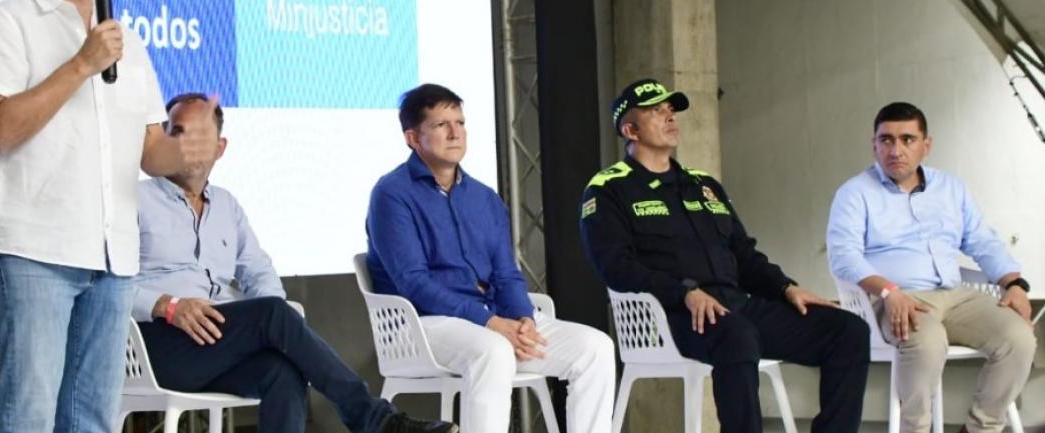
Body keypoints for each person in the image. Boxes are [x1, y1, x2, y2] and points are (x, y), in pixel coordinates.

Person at [0, 0, 214, 432]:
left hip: (113, 256)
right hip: (34, 250)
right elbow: (1, 130)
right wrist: (82, 63)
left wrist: (186, 152)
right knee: (29, 417)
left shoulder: (130, 42)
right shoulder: (7, 23)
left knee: (92, 421)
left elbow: (150, 152)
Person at [134, 93, 456, 433]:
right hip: (158, 346)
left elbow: (259, 271)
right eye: (178, 132)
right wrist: (167, 306)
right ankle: (376, 420)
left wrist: (279, 319)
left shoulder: (227, 206)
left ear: (219, 147)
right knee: (272, 313)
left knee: (283, 373)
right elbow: (104, 284)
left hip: (217, 343)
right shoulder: (136, 200)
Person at [580, 78, 870, 433]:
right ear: (630, 129)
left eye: (671, 110)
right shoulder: (610, 187)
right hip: (670, 316)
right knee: (737, 335)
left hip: (736, 307)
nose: (670, 117)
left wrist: (785, 288)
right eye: (657, 111)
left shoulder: (704, 185)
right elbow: (615, 267)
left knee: (848, 330)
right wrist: (683, 291)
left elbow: (743, 255)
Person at [366, 83, 616, 433]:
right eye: (441, 125)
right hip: (422, 324)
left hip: (492, 319)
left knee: (596, 348)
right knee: (494, 351)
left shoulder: (483, 197)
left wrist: (523, 318)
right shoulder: (391, 195)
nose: (455, 133)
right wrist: (489, 322)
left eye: (460, 122)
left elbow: (506, 273)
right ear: (412, 138)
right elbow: (413, 282)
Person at [827, 101, 1035, 433]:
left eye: (907, 139)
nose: (896, 149)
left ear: (926, 145)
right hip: (897, 299)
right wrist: (888, 290)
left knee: (1019, 338)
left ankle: (981, 428)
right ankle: (917, 429)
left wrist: (1014, 284)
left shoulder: (950, 188)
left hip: (955, 296)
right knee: (927, 342)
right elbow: (844, 256)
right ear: (874, 145)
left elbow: (982, 240)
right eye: (886, 140)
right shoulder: (854, 194)